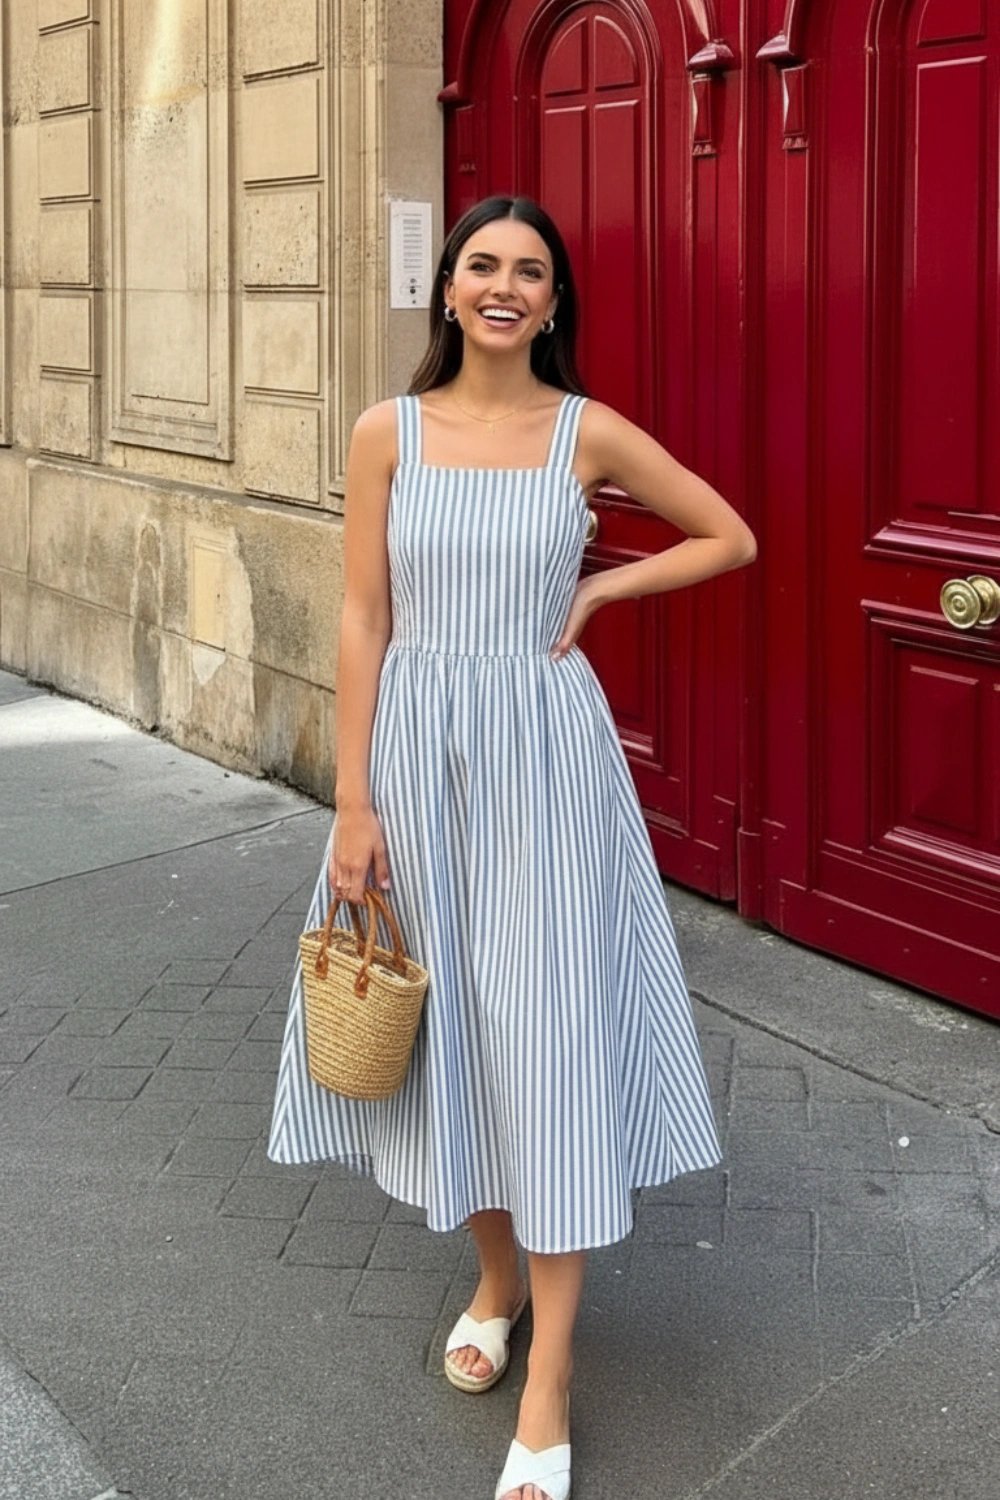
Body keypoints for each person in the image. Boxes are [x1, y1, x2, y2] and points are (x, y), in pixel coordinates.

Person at [268, 194, 756, 1500]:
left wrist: (602, 584)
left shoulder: (584, 433)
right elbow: (364, 617)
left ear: (552, 303)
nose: (503, 285)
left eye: (528, 271)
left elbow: (729, 533)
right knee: (457, 1041)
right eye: (481, 263)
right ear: (446, 290)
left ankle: (550, 1376)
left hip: (546, 772)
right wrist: (355, 803)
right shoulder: (390, 433)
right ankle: (493, 1280)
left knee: (544, 1041)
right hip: (417, 769)